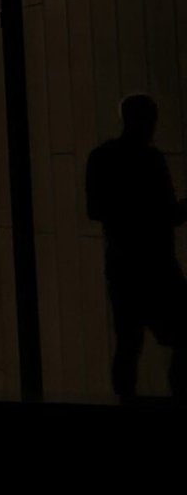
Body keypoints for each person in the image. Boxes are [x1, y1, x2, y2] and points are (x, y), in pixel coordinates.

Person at [85, 93, 187, 400]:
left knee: (128, 344)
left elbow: (95, 210)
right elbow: (169, 214)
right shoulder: (151, 160)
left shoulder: (101, 157)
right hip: (157, 266)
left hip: (123, 265)